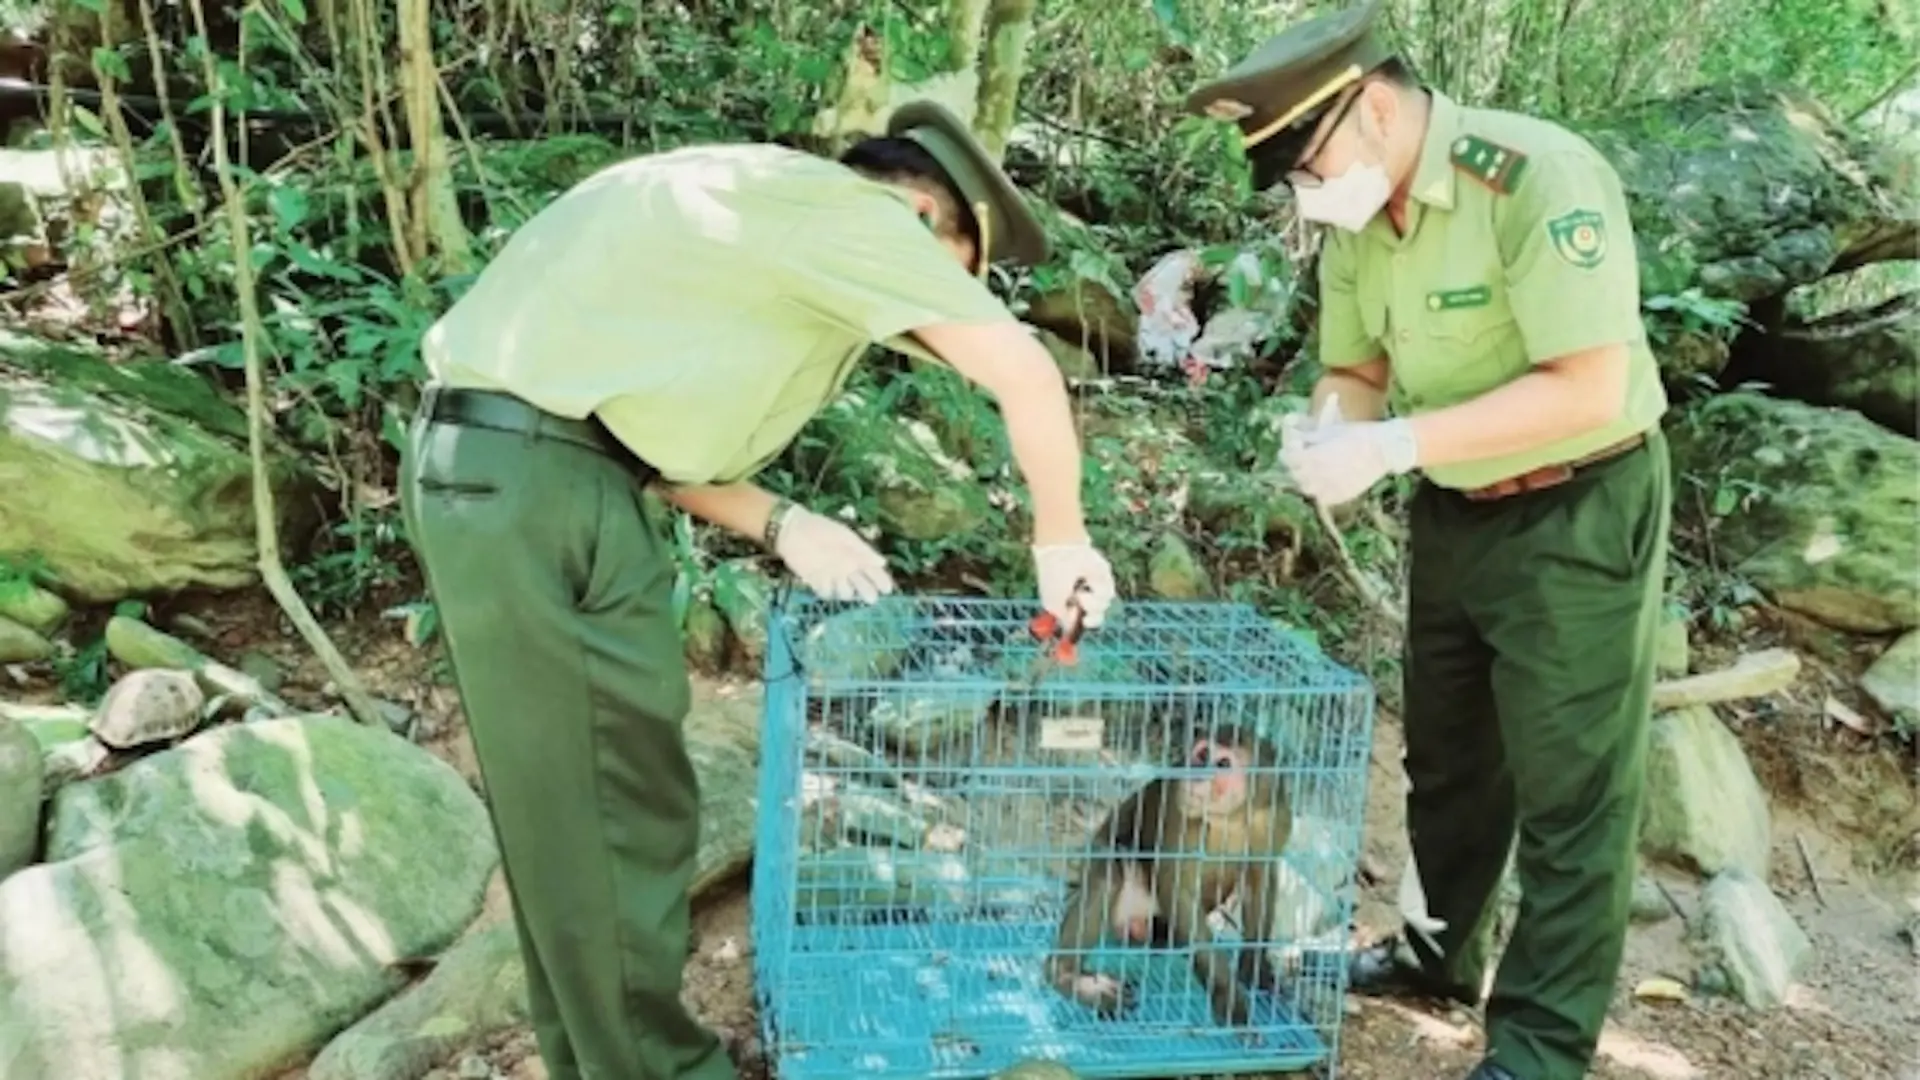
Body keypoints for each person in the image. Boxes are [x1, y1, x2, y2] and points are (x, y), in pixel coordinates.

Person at [397, 99, 1119, 1080]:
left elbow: (626, 434)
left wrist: (785, 522)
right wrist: (1063, 539)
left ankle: (607, 1061)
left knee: (571, 813)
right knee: (616, 808)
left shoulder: (753, 201)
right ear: (920, 214)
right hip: (538, 488)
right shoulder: (855, 218)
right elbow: (1028, 374)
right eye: (954, 277)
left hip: (520, 475)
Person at [1185, 3, 1672, 1078]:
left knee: (1571, 789)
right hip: (1453, 508)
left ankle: (1539, 1049)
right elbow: (1354, 372)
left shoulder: (1535, 177)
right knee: (1451, 759)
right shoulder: (1357, 219)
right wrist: (1332, 438)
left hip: (1576, 502)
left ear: (1375, 107)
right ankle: (1440, 955)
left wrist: (1395, 441)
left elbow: (1585, 383)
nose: (1309, 197)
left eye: (1309, 166)